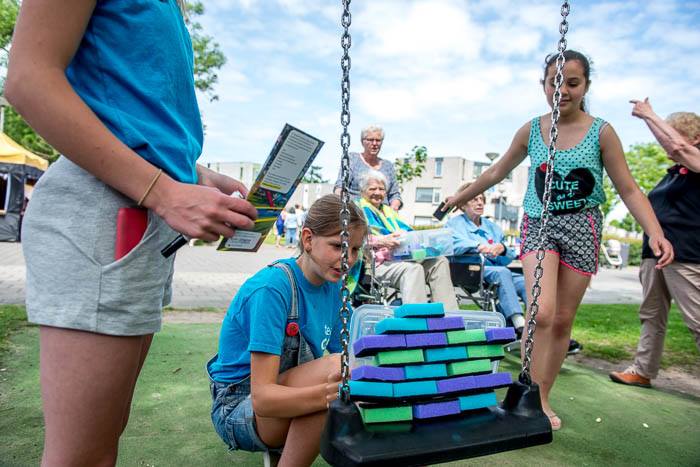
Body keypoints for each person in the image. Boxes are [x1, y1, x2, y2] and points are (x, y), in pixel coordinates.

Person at [5, 1, 258, 465]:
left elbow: (129, 114)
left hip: (137, 213)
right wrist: (164, 191)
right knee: (81, 456)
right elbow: (28, 80)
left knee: (101, 441)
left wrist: (192, 175)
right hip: (109, 209)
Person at [443, 50, 673, 431]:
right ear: (543, 84)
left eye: (572, 82)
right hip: (540, 223)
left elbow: (629, 190)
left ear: (585, 86)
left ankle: (542, 396)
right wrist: (462, 196)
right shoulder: (532, 129)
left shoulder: (602, 132)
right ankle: (525, 389)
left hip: (583, 225)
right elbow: (498, 170)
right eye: (555, 81)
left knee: (563, 319)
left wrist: (656, 231)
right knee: (542, 311)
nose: (562, 89)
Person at [207, 194, 367, 466]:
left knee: (351, 371)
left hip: (286, 392)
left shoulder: (334, 289)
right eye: (337, 246)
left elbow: (357, 357)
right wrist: (329, 394)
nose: (348, 259)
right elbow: (263, 400)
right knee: (333, 379)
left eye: (354, 249)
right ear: (307, 239)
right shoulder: (273, 288)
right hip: (239, 407)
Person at [609, 102, 700, 388]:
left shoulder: (695, 160)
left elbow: (679, 148)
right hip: (655, 255)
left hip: (686, 254)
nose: (664, 142)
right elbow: (675, 149)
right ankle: (643, 370)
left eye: (672, 133)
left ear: (694, 138)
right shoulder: (673, 173)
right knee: (651, 315)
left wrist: (649, 115)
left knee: (697, 320)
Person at [360, 170, 459, 310]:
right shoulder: (357, 209)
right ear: (363, 191)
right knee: (414, 269)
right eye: (372, 189)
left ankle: (450, 316)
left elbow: (407, 232)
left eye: (381, 189)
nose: (377, 192)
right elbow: (356, 238)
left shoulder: (388, 211)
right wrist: (382, 240)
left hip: (401, 256)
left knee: (440, 261)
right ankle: (417, 320)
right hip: (378, 263)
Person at [447, 183, 528, 334]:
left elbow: (507, 259)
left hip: (495, 270)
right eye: (474, 199)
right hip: (469, 270)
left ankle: (538, 326)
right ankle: (519, 324)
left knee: (526, 282)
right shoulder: (454, 224)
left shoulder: (493, 227)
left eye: (482, 199)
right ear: (463, 205)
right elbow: (452, 244)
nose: (479, 203)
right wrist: (477, 245)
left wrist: (503, 250)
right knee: (503, 273)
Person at [333, 125, 402, 210]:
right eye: (370, 140)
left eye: (378, 140)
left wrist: (392, 210)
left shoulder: (388, 166)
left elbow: (395, 195)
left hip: (382, 215)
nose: (374, 144)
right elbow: (340, 186)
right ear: (362, 142)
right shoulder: (352, 159)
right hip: (356, 213)